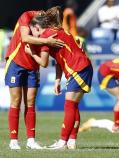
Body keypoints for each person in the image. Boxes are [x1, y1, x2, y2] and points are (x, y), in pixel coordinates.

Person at [26, 11, 93, 150]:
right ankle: (71, 142)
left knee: (69, 106)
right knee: (73, 106)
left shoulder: (45, 37)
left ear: (37, 27)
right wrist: (57, 80)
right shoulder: (58, 30)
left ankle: (62, 142)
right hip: (83, 66)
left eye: (32, 32)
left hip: (78, 68)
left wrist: (31, 53)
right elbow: (59, 59)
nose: (32, 36)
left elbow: (43, 63)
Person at [5, 7, 64, 150]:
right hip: (16, 62)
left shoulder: (46, 26)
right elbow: (25, 38)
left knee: (30, 102)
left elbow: (45, 60)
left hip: (33, 66)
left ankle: (31, 140)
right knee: (16, 101)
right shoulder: (26, 16)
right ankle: (13, 140)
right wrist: (47, 41)